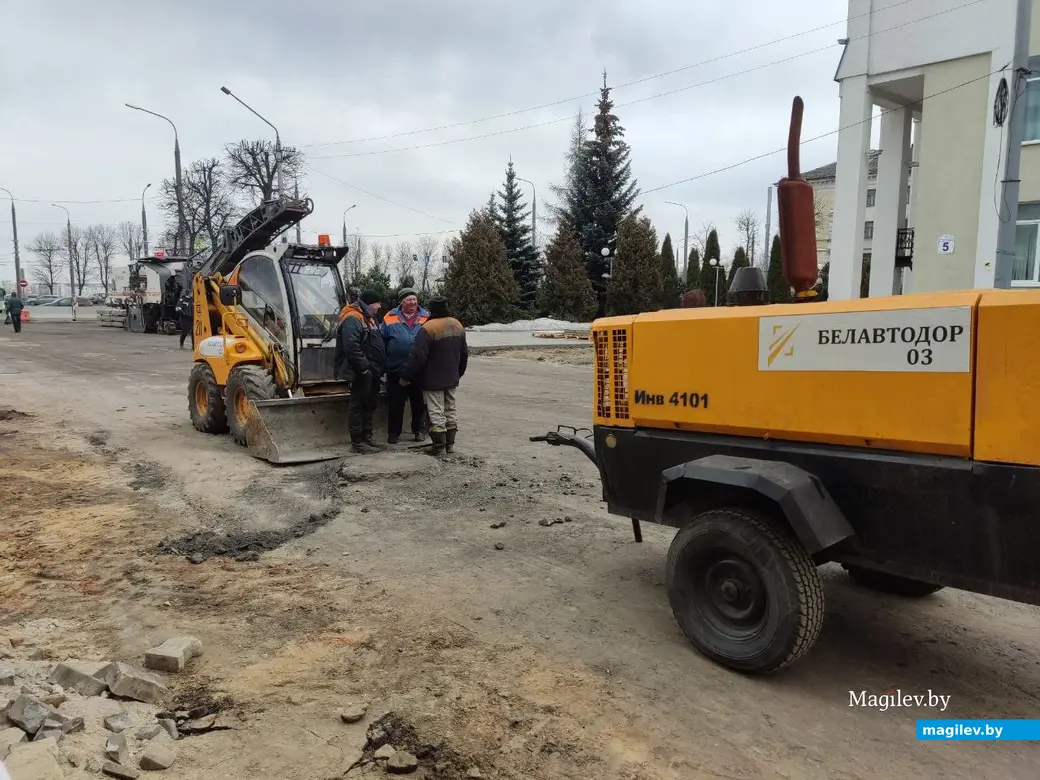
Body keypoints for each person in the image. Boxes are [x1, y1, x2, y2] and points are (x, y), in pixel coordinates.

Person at [400, 296, 468, 455]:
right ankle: (450, 445)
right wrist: (458, 374)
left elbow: (418, 356)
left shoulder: (429, 328)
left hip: (432, 380)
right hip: (451, 378)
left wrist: (406, 376)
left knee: (436, 412)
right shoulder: (457, 325)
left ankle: (439, 448)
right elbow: (464, 354)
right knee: (450, 410)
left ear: (431, 310)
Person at [334, 289, 386, 454]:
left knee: (369, 404)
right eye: (378, 304)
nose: (379, 307)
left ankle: (367, 437)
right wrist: (364, 368)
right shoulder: (353, 318)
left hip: (373, 370)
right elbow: (352, 346)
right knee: (359, 404)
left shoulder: (368, 318)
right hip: (362, 371)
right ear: (370, 303)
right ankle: (357, 442)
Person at [380, 288, 429, 444]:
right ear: (401, 301)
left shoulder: (426, 316)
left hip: (419, 367)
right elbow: (382, 341)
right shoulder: (390, 317)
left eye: (414, 299)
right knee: (396, 403)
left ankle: (419, 431)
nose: (413, 302)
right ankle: (393, 433)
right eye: (409, 299)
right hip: (396, 367)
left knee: (419, 402)